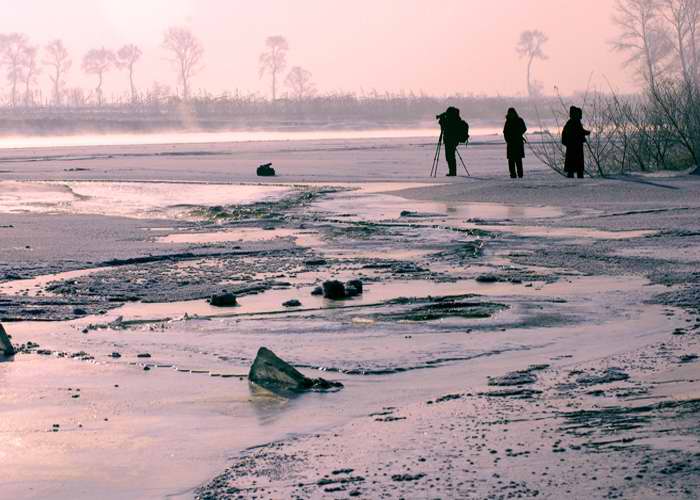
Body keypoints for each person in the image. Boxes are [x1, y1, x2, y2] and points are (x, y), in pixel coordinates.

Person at [437, 106, 469, 176]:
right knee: (451, 156)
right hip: (454, 140)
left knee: (449, 156)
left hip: (450, 140)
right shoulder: (456, 119)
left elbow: (444, 126)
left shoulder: (450, 120)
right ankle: (452, 172)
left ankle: (452, 172)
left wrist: (442, 120)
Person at [562, 106, 590, 179]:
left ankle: (573, 178)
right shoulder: (574, 123)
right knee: (577, 168)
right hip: (575, 148)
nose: (580, 116)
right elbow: (579, 132)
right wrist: (586, 133)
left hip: (572, 148)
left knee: (572, 168)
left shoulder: (570, 123)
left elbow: (565, 136)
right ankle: (577, 180)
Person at [503, 107, 527, 178]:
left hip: (518, 143)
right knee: (511, 161)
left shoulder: (519, 120)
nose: (510, 114)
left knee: (518, 161)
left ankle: (520, 175)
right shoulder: (508, 121)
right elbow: (505, 132)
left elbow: (524, 128)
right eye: (509, 113)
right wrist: (508, 140)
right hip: (511, 144)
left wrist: (518, 134)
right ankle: (513, 175)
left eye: (512, 113)